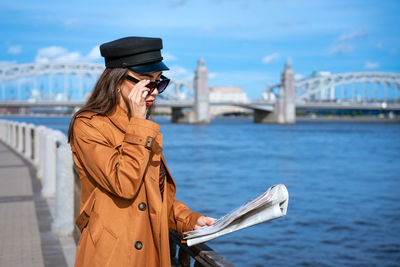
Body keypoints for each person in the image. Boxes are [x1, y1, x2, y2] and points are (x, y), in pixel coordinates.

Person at [68, 36, 215, 267]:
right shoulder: (88, 125)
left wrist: (190, 220)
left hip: (152, 254)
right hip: (112, 256)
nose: (155, 92)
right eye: (147, 83)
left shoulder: (141, 128)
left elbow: (154, 197)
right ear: (117, 80)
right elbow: (124, 184)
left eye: (160, 82)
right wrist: (139, 123)